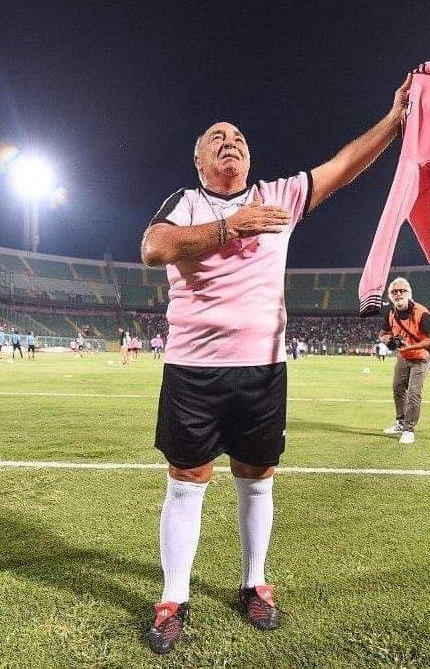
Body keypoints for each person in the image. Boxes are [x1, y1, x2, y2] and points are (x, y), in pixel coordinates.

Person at [140, 74, 412, 655]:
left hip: (262, 369)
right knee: (187, 482)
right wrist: (226, 228)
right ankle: (173, 595)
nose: (229, 140)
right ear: (198, 160)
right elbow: (153, 247)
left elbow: (342, 165)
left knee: (256, 480)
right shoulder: (182, 203)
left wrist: (394, 121)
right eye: (216, 136)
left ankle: (254, 583)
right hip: (192, 368)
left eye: (237, 135)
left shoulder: (280, 197)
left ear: (249, 154)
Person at [378, 277, 430, 445]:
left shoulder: (421, 312)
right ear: (390, 295)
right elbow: (381, 335)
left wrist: (409, 347)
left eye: (401, 291)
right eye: (394, 292)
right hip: (403, 357)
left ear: (408, 293)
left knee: (413, 393)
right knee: (397, 389)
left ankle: (409, 429)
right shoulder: (390, 313)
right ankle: (400, 422)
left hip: (420, 358)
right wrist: (387, 338)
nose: (398, 294)